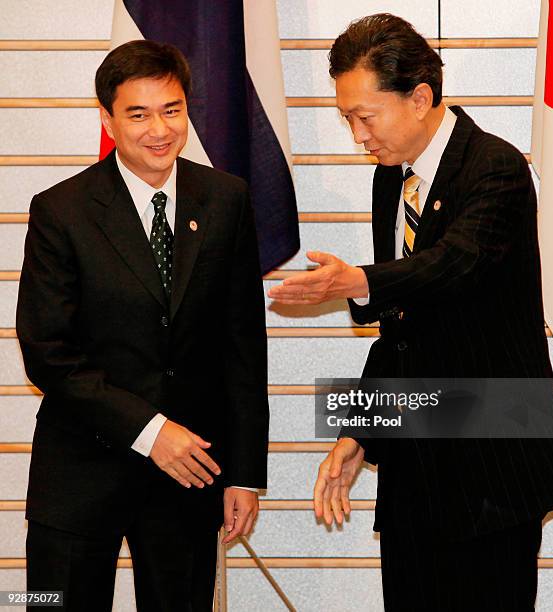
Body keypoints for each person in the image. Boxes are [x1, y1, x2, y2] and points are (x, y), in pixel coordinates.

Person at [269, 13, 553, 611]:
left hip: (493, 454)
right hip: (416, 459)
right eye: (347, 118)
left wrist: (358, 281)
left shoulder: (497, 167)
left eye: (364, 116)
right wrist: (361, 427)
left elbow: (452, 267)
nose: (357, 135)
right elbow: (402, 330)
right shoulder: (391, 179)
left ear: (420, 97)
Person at [17, 40, 268, 612]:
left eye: (172, 110)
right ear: (106, 118)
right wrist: (152, 431)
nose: (159, 129)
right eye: (138, 113)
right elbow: (47, 352)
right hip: (78, 478)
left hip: (189, 480)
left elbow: (243, 347)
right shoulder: (61, 210)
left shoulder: (226, 199)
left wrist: (245, 474)